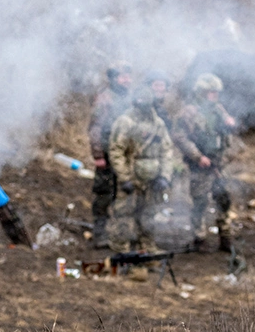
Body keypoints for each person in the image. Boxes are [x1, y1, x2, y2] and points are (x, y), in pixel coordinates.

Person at [172, 74, 237, 252]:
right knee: (200, 200)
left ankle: (225, 235)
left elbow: (226, 135)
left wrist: (230, 125)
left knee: (223, 199)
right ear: (201, 92)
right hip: (199, 164)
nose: (214, 96)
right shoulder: (189, 112)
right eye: (211, 92)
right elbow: (180, 138)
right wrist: (197, 156)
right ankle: (198, 237)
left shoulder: (218, 110)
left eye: (216, 92)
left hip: (218, 162)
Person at [109, 86, 177, 254]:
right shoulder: (125, 122)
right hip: (132, 175)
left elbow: (167, 151)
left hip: (152, 179)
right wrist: (124, 177)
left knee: (149, 215)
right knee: (124, 215)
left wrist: (164, 176)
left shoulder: (158, 124)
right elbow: (116, 150)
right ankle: (122, 252)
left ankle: (147, 248)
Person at [87, 63, 133, 248]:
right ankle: (100, 234)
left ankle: (121, 232)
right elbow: (95, 128)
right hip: (107, 154)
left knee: (124, 194)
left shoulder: (130, 99)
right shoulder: (105, 99)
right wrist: (98, 154)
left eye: (128, 76)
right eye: (122, 77)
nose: (126, 80)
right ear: (114, 79)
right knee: (104, 193)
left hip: (125, 155)